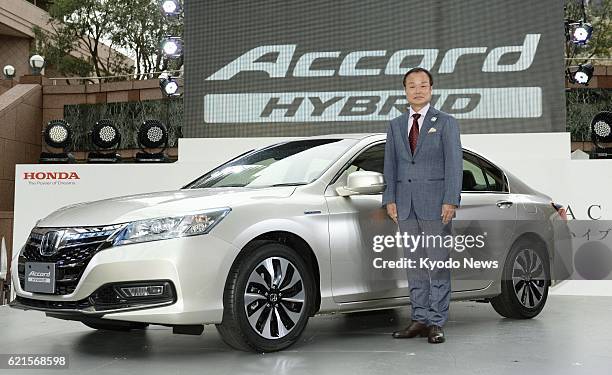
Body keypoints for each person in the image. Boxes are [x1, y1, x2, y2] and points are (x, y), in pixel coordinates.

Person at [382, 67, 462, 344]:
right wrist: (389, 198)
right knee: (414, 264)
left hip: (436, 204)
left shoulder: (446, 122)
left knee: (437, 263)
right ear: (405, 90)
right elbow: (390, 165)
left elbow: (454, 164)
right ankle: (419, 318)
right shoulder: (394, 125)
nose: (418, 90)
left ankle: (437, 321)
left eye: (423, 85)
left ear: (431, 90)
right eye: (412, 85)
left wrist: (451, 199)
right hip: (405, 205)